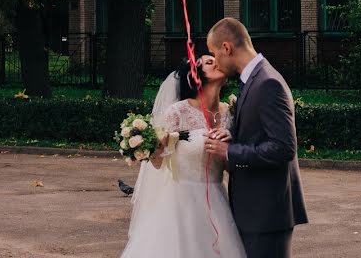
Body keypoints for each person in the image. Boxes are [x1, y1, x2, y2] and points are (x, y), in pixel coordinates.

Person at [120, 55, 246, 258]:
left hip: (216, 199)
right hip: (180, 203)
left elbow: (232, 166)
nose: (216, 62)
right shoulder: (178, 112)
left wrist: (228, 148)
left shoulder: (230, 113)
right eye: (208, 62)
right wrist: (155, 147)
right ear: (195, 76)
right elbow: (158, 164)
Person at [204, 17, 308, 258]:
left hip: (267, 214)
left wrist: (229, 152)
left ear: (227, 48)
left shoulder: (268, 83)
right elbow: (260, 134)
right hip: (255, 212)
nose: (216, 62)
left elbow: (283, 147)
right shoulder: (254, 80)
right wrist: (233, 137)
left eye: (214, 53)